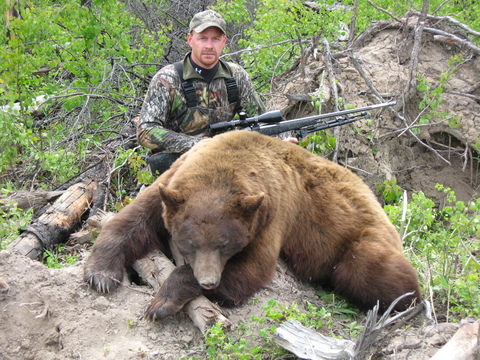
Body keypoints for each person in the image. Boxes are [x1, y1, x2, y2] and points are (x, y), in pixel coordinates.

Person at [135, 9, 266, 174]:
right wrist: (195, 144)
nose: (209, 46)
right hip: (180, 169)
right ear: (190, 40)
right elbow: (145, 131)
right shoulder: (168, 78)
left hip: (227, 165)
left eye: (216, 39)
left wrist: (282, 143)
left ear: (224, 41)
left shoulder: (236, 76)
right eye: (203, 38)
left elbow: (261, 121)